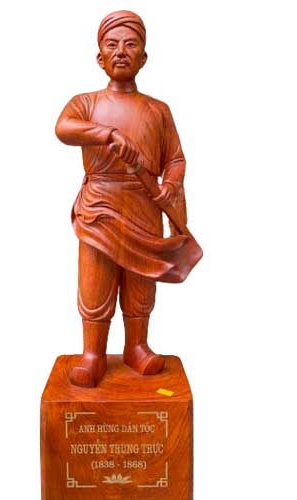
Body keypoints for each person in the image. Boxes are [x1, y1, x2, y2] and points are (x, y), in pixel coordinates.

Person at [55, 10, 202, 387]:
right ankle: (93, 354)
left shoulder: (158, 110)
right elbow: (64, 128)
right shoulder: (86, 103)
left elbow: (176, 159)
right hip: (98, 208)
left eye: (130, 44)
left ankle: (137, 346)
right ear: (100, 57)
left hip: (143, 205)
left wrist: (171, 184)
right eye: (112, 45)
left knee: (140, 285)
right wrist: (107, 134)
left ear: (144, 57)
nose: (121, 51)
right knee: (96, 283)